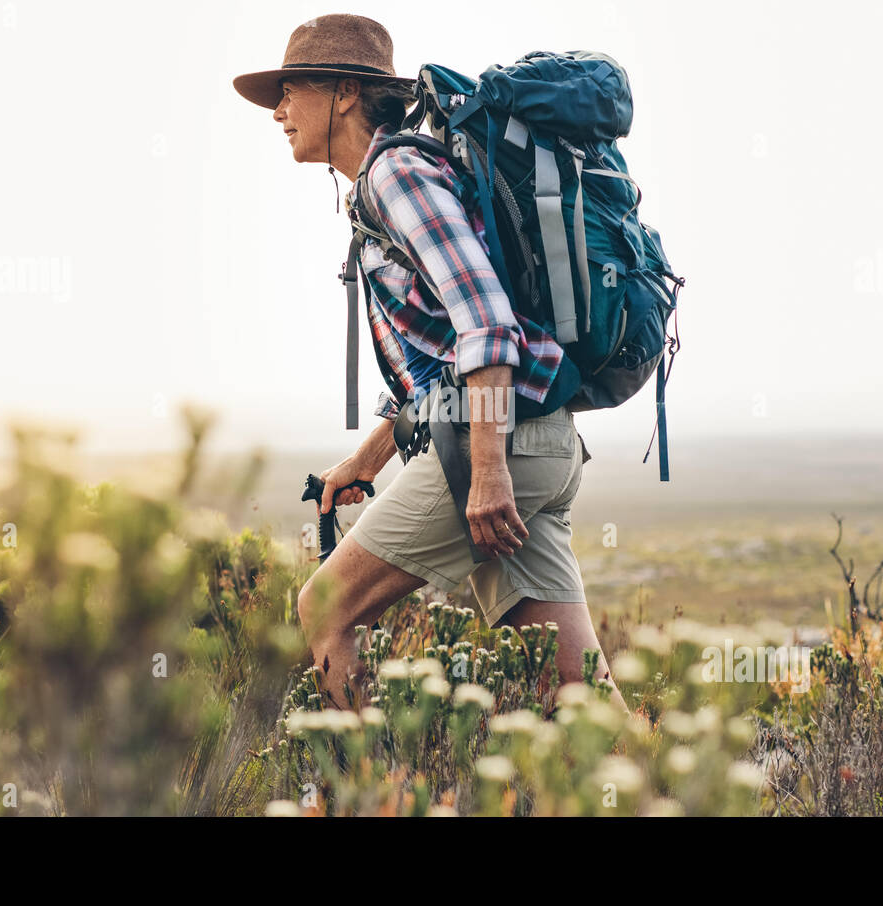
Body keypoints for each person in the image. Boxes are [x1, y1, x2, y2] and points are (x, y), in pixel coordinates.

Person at [233, 14, 626, 711]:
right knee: (576, 696)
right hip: (542, 440)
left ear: (346, 92)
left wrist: (487, 470)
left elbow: (486, 321)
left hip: (502, 447)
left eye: (290, 90)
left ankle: (371, 795)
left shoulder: (394, 175)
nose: (279, 112)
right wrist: (370, 457)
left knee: (325, 608)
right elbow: (444, 356)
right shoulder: (391, 180)